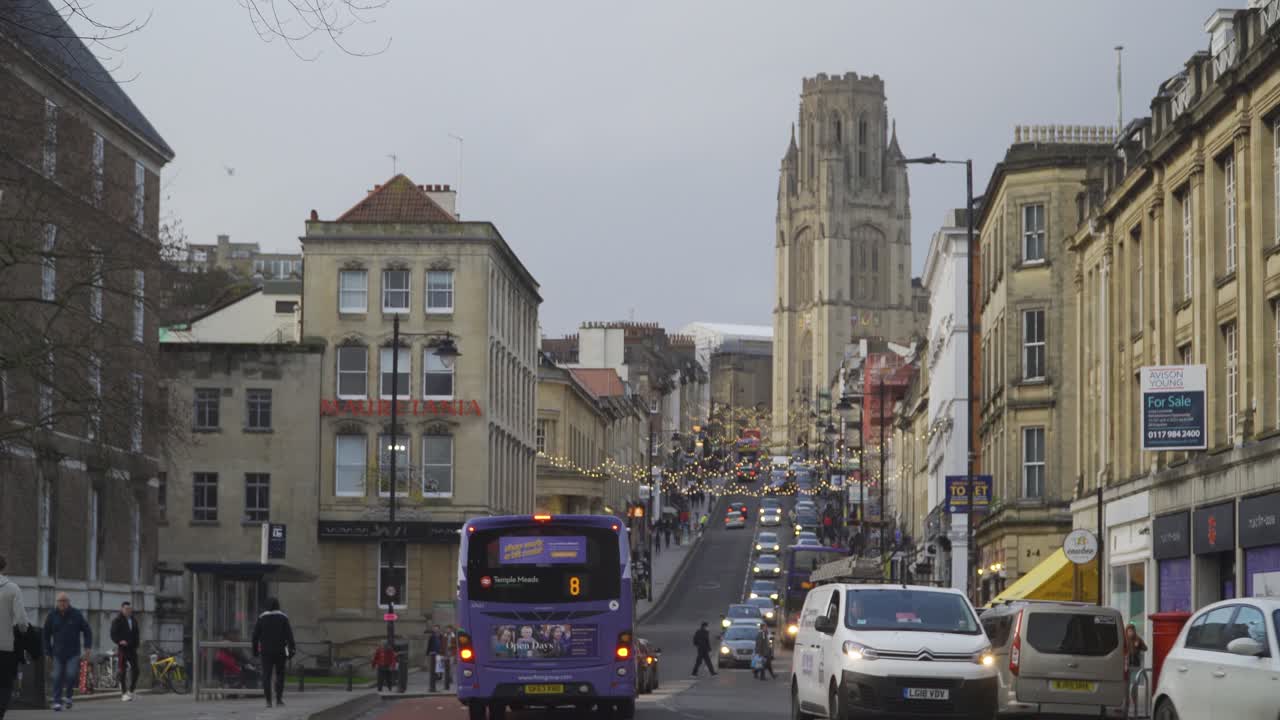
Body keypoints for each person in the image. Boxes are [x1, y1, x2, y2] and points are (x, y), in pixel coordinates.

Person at [43, 592, 92, 711]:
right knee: (57, 676)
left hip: (73, 652)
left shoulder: (76, 614)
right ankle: (57, 701)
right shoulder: (52, 615)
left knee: (71, 675)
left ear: (69, 602)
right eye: (60, 601)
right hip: (57, 652)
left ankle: (69, 696)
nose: (62, 603)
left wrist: (87, 647)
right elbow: (45, 635)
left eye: (64, 601)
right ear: (57, 603)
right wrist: (47, 651)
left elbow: (87, 631)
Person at [0, 555, 30, 720]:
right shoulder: (12, 589)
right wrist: (23, 633)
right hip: (5, 646)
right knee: (4, 684)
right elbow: (22, 621)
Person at [251, 597, 295, 708]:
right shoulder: (283, 618)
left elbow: (255, 636)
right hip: (281, 650)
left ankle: (268, 701)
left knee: (266, 675)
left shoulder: (262, 618)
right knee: (280, 674)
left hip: (266, 651)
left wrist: (255, 651)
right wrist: (291, 649)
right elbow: (289, 636)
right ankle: (279, 699)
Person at [109, 601, 140, 701]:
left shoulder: (133, 620)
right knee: (122, 670)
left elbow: (136, 633)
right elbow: (113, 633)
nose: (128, 611)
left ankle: (131, 690)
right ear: (122, 609)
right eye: (126, 609)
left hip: (132, 648)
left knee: (136, 670)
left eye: (130, 609)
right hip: (123, 648)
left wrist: (137, 644)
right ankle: (123, 692)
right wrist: (119, 641)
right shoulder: (117, 620)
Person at [1126, 623, 1148, 712]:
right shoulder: (1125, 640)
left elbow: (1145, 648)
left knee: (1134, 686)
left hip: (1135, 666)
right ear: (1126, 632)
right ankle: (1127, 703)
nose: (1130, 633)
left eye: (1132, 631)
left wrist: (1139, 645)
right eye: (1129, 631)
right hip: (1127, 666)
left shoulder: (1137, 639)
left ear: (1134, 631)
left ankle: (1135, 703)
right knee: (1126, 686)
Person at [425, 624, 442, 691]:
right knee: (433, 665)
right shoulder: (432, 636)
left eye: (436, 628)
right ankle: (435, 676)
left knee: (439, 665)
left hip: (439, 652)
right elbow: (429, 644)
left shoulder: (441, 636)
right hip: (433, 652)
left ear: (439, 629)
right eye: (434, 628)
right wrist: (427, 652)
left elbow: (443, 643)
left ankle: (439, 675)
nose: (435, 629)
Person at [442, 625, 457, 690]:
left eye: (449, 629)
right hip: (445, 653)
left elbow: (457, 645)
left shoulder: (454, 636)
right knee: (445, 666)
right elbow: (442, 644)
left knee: (451, 666)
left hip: (452, 653)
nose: (447, 630)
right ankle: (447, 678)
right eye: (447, 629)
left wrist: (451, 645)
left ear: (451, 630)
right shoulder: (444, 636)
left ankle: (450, 678)